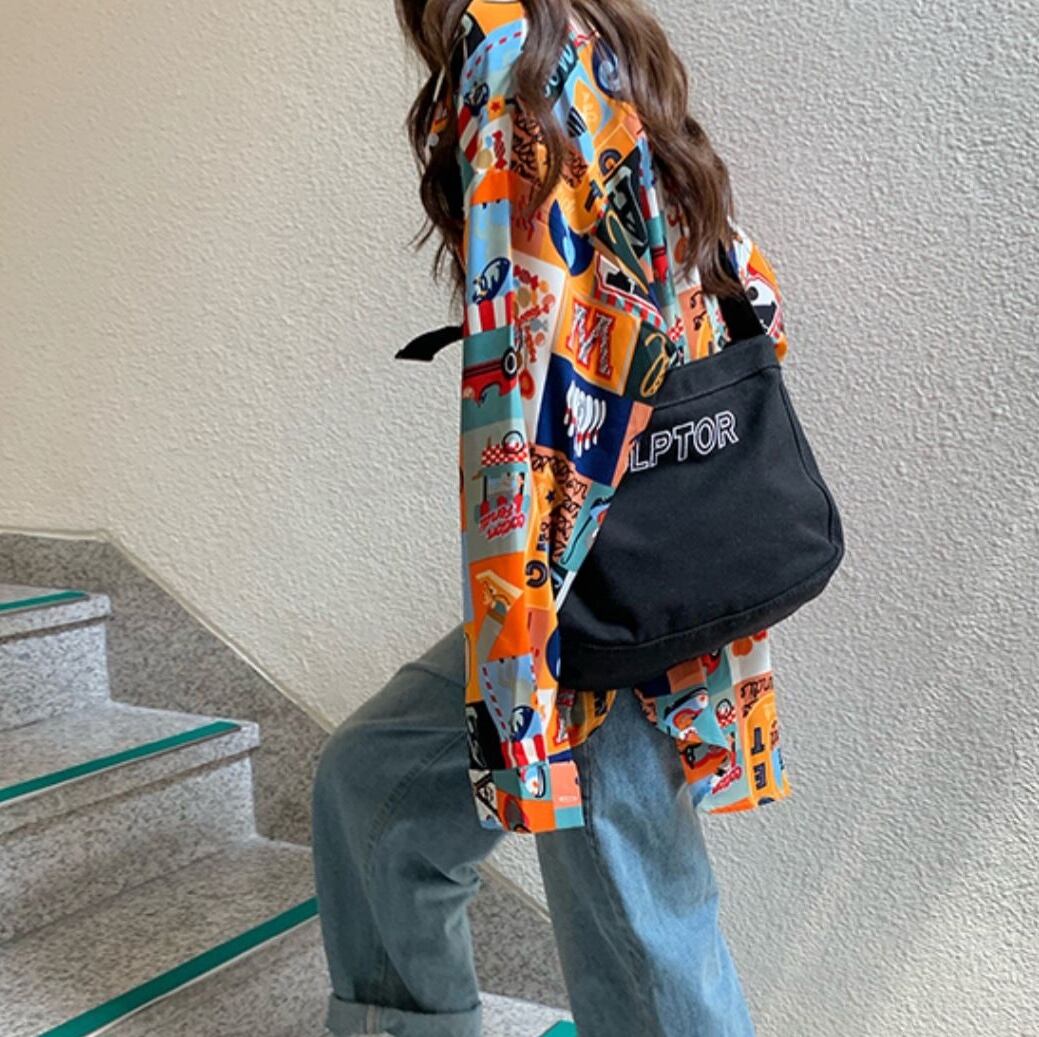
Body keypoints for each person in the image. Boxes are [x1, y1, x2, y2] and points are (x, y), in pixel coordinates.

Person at [313, 2, 792, 1034]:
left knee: (639, 927)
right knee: (375, 785)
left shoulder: (508, 48)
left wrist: (523, 639)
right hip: (640, 531)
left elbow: (531, 373)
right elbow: (737, 281)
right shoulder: (594, 31)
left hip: (588, 567)